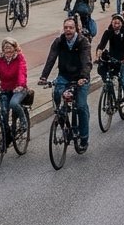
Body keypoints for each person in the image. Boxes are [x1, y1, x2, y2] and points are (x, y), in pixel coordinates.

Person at [39, 18, 93, 151]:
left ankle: (84, 138)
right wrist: (44, 76)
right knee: (57, 94)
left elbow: (86, 61)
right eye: (66, 27)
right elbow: (51, 59)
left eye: (71, 27)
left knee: (81, 107)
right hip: (64, 76)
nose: (68, 30)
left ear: (76, 29)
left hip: (80, 78)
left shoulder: (83, 42)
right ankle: (62, 118)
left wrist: (84, 77)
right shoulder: (59, 42)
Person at [96, 13, 124, 108]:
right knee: (103, 72)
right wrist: (98, 56)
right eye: (114, 23)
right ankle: (110, 93)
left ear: (122, 23)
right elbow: (101, 45)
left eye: (118, 23)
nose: (116, 25)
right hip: (113, 59)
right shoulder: (108, 32)